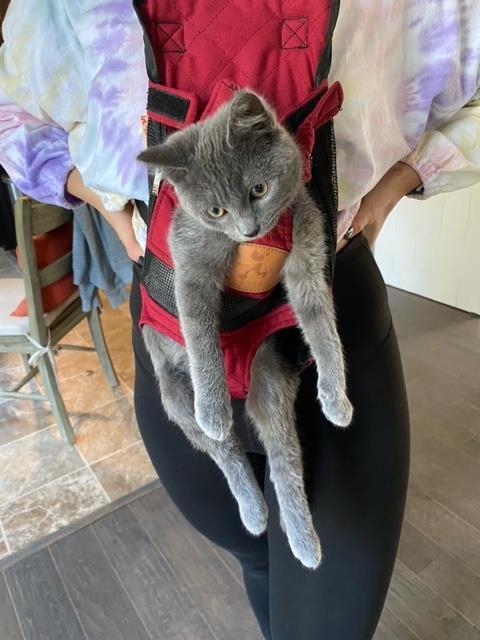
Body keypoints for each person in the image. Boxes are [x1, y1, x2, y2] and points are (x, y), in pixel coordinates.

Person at [0, 1, 479, 638]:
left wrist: (392, 189)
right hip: (169, 317)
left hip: (325, 299)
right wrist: (105, 203)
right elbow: (13, 112)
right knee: (257, 558)